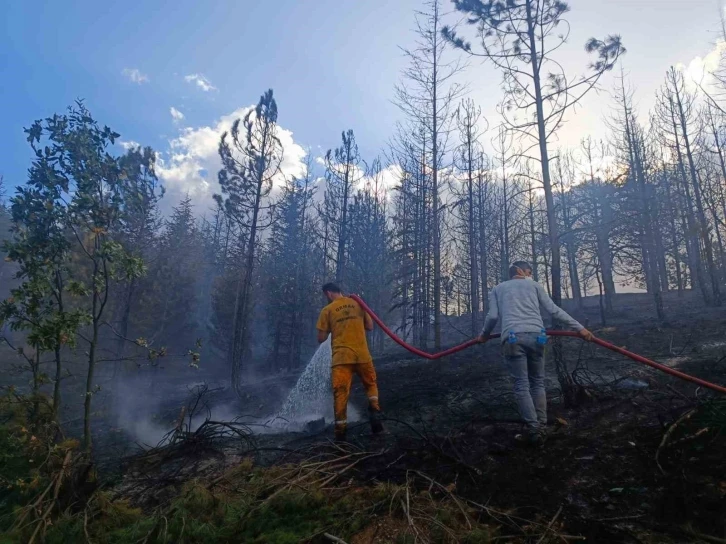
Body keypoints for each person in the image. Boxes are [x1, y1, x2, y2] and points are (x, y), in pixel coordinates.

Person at [477, 261, 594, 445]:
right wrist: (580, 328)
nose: (529, 275)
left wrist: (484, 335)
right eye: (528, 271)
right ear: (518, 270)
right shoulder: (534, 286)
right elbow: (554, 310)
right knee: (538, 383)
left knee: (521, 385)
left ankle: (535, 430)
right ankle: (541, 424)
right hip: (538, 337)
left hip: (514, 338)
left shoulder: (498, 289)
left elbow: (492, 316)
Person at [316, 282, 384, 441]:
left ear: (328, 293)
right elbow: (369, 326)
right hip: (362, 356)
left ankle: (340, 433)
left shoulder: (327, 310)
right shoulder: (359, 303)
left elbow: (321, 338)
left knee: (340, 393)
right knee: (371, 384)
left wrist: (334, 327)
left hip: (341, 359)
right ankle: (375, 413)